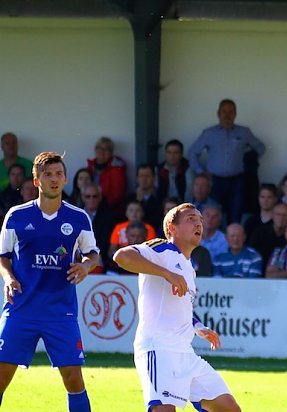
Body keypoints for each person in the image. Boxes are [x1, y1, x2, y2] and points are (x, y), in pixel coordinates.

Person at [112, 203, 241, 412]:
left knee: (229, 409)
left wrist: (200, 329)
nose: (198, 223)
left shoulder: (190, 267)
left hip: (185, 354)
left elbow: (184, 311)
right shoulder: (162, 249)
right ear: (172, 228)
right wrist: (167, 273)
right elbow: (121, 257)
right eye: (191, 218)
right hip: (159, 349)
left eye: (200, 220)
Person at [0, 151, 99, 411]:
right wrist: (9, 278)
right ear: (36, 181)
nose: (54, 179)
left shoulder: (78, 218)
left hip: (60, 312)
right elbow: (3, 256)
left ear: (65, 179)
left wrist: (86, 266)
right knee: (0, 377)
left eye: (58, 174)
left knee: (74, 380)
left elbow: (93, 254)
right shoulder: (16, 216)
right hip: (21, 310)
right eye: (47, 174)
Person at [189, 98, 266, 225]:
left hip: (237, 181)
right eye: (224, 111)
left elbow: (261, 148)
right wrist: (201, 172)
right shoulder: (209, 133)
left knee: (235, 215)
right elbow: (193, 152)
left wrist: (249, 159)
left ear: (235, 114)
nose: (227, 115)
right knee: (214, 216)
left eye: (231, 112)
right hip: (215, 181)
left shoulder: (244, 132)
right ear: (218, 114)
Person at [86, 136, 128, 219]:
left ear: (111, 152)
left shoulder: (117, 170)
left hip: (108, 210)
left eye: (106, 149)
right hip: (90, 208)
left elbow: (117, 196)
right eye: (99, 148)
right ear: (95, 150)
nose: (102, 151)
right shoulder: (90, 167)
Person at [80, 183, 115, 269]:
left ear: (100, 197)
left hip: (100, 258)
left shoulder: (108, 217)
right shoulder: (75, 215)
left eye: (95, 196)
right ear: (83, 198)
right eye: (88, 196)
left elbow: (106, 243)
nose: (91, 199)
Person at [250, 202, 287, 270]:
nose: (281, 218)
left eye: (285, 215)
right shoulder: (259, 233)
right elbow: (252, 254)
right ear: (273, 216)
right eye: (279, 214)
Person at [156, 139, 194, 203]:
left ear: (181, 154)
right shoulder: (159, 169)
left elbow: (189, 193)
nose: (172, 156)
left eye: (176, 153)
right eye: (169, 152)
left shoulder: (188, 169)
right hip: (163, 205)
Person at [129, 164, 162, 228]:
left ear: (154, 178)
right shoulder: (130, 198)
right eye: (141, 176)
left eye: (147, 176)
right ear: (137, 178)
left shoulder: (161, 197)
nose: (144, 179)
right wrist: (138, 201)